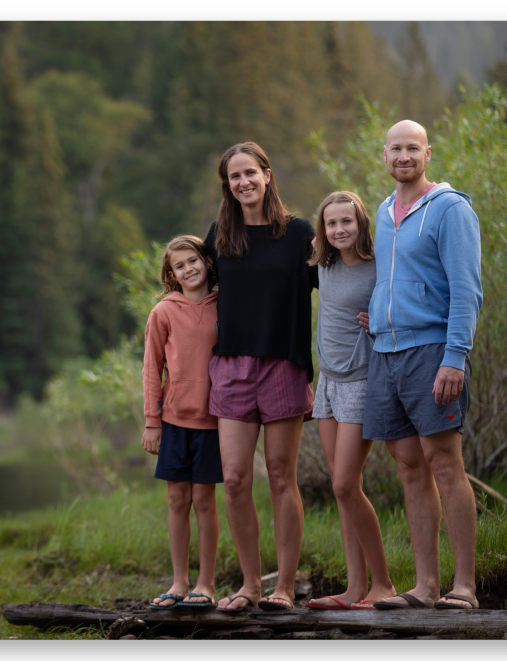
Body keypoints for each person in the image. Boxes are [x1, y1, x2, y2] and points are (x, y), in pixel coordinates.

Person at [359, 120, 484, 610]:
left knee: (445, 465)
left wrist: (455, 357)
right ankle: (426, 587)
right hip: (385, 354)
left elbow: (466, 290)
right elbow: (397, 277)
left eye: (413, 148)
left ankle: (465, 587)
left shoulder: (451, 209)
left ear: (428, 154)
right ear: (384, 156)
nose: (403, 156)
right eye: (395, 148)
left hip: (432, 353)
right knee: (409, 469)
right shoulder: (386, 211)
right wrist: (379, 307)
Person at [203, 142, 317, 613]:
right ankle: (250, 584)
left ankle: (284, 588)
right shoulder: (219, 236)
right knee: (233, 479)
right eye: (235, 176)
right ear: (227, 185)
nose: (244, 182)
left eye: (251, 173)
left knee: (280, 476)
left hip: (283, 365)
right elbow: (193, 290)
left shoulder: (298, 235)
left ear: (268, 175)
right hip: (231, 367)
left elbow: (333, 281)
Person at [303, 191, 397, 611]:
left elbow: (402, 304)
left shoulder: (380, 265)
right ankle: (354, 588)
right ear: (322, 229)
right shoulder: (323, 264)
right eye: (331, 223)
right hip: (328, 383)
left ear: (361, 224)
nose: (339, 229)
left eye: (347, 221)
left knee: (343, 483)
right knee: (345, 491)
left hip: (362, 381)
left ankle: (384, 585)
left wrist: (379, 322)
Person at [141, 235, 222, 609]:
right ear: (171, 275)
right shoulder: (163, 312)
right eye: (179, 266)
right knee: (177, 499)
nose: (188, 269)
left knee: (205, 500)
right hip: (173, 419)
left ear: (206, 261)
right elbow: (151, 369)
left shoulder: (225, 305)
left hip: (214, 419)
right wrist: (151, 420)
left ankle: (205, 584)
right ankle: (178, 582)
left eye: (193, 261)